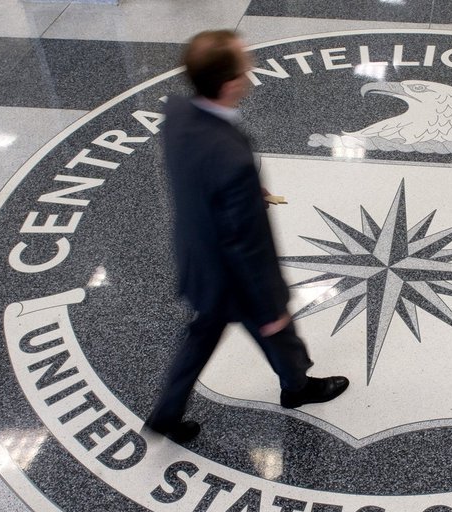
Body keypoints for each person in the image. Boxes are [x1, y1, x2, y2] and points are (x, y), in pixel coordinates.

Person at [146, 30, 349, 443]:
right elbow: (246, 245)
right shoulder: (232, 161)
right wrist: (270, 302)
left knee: (202, 336)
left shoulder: (179, 113)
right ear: (229, 84)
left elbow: (199, 172)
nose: (250, 71)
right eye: (244, 67)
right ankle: (297, 388)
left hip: (197, 256)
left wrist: (239, 192)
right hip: (233, 276)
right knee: (276, 328)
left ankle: (166, 413)